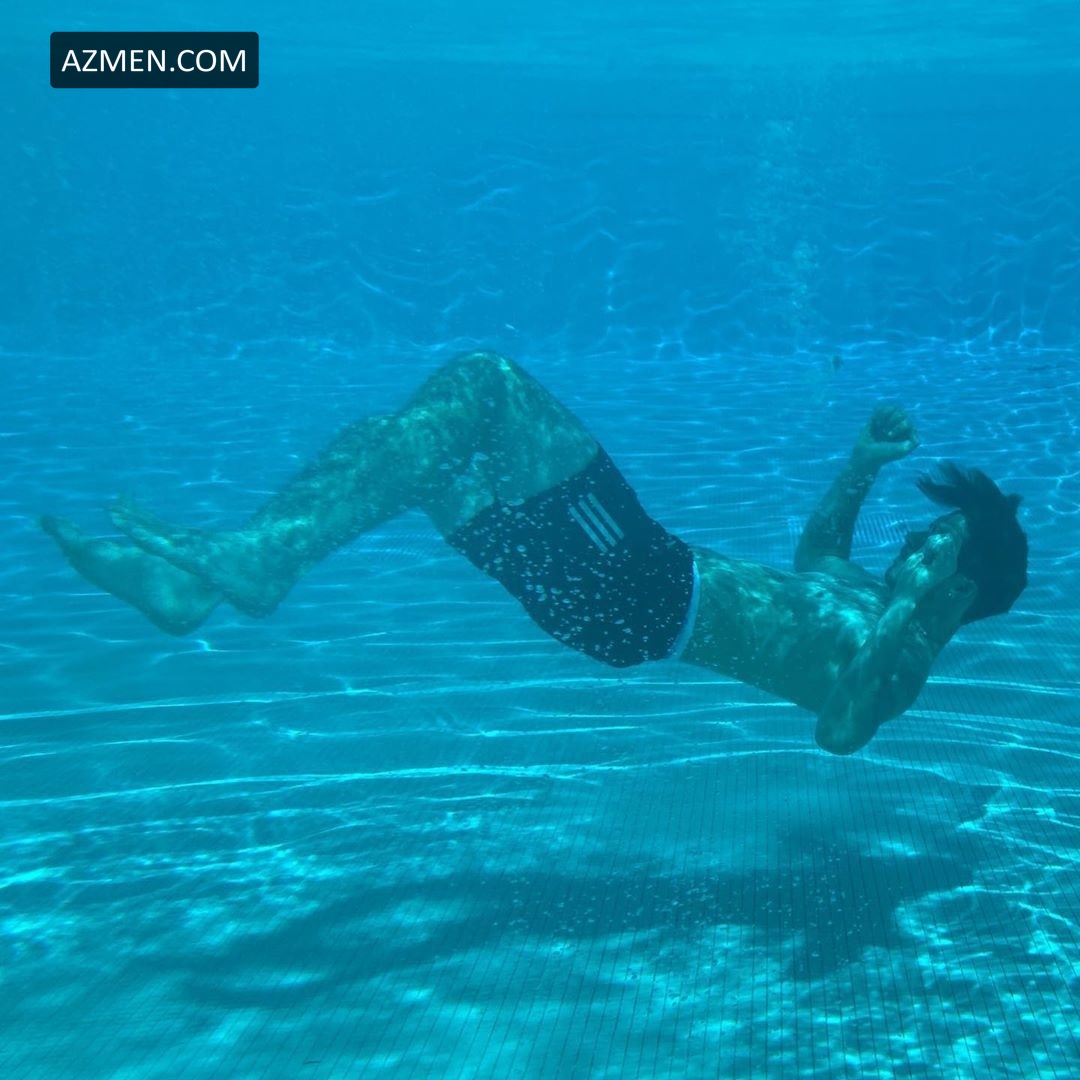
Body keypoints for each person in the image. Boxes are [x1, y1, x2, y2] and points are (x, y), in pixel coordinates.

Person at [41, 351, 1028, 755]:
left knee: (487, 385)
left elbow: (840, 731)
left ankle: (261, 561)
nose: (913, 541)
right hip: (608, 608)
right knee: (405, 453)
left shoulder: (903, 656)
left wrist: (910, 610)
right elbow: (818, 551)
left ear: (963, 589)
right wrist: (859, 466)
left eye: (935, 544)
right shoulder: (865, 594)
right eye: (924, 530)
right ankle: (202, 588)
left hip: (643, 585)